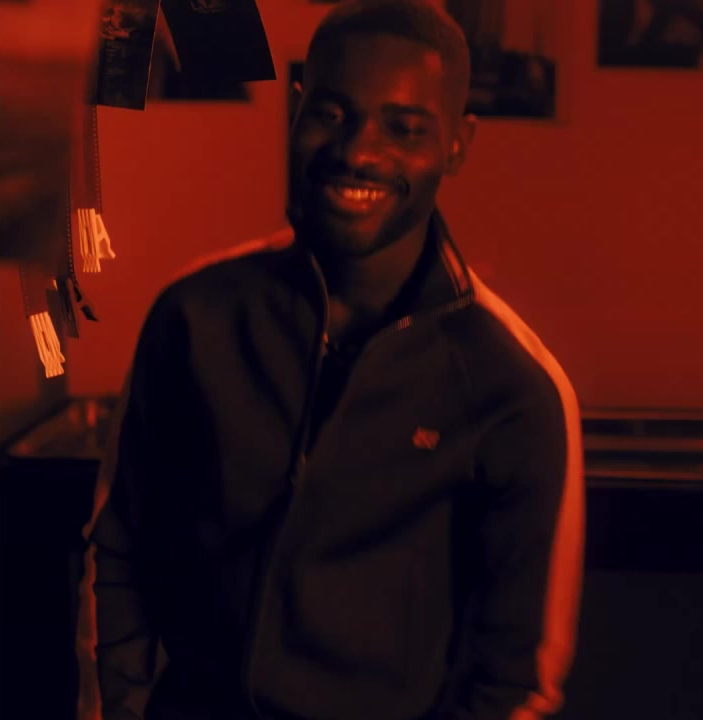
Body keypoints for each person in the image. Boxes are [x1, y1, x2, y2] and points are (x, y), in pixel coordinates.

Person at [75, 1, 585, 719]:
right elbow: (119, 549)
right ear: (296, 110)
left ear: (457, 145)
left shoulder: (512, 387)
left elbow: (515, 680)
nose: (359, 151)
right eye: (333, 113)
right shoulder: (195, 317)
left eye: (405, 128)